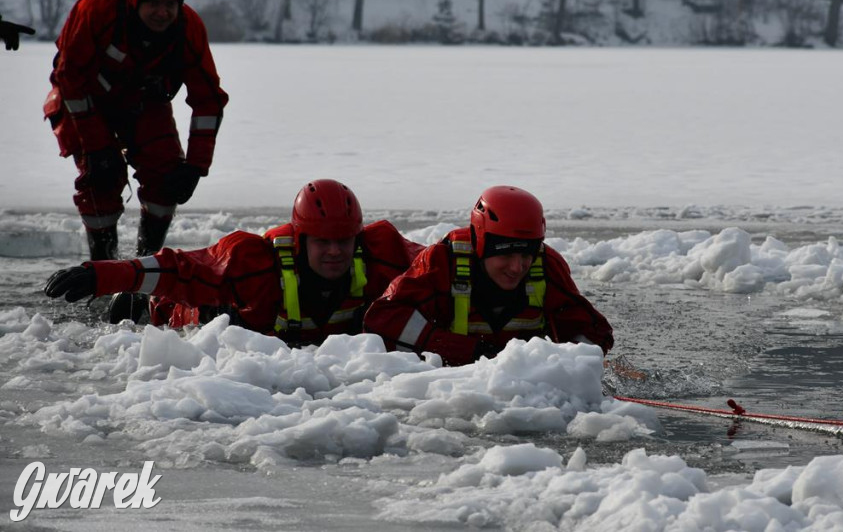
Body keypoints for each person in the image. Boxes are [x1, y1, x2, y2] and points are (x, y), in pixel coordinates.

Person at [42, 0, 228, 302]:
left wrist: (196, 167)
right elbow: (68, 78)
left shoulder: (188, 28)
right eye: (154, 4)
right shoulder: (95, 10)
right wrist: (97, 147)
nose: (163, 13)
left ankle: (142, 273)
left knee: (166, 178)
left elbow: (208, 100)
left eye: (171, 4)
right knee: (100, 181)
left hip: (144, 103)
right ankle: (101, 272)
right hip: (82, 102)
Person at [44, 180, 424, 346]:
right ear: (302, 238)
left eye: (344, 241)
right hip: (196, 314)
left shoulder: (381, 256)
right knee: (202, 312)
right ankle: (143, 304)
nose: (335, 252)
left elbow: (436, 263)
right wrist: (101, 275)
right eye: (323, 242)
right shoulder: (255, 263)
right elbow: (180, 268)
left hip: (300, 343)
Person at [363, 185, 613, 366]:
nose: (517, 267)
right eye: (506, 254)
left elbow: (593, 331)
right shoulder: (441, 262)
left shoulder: (547, 265)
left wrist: (570, 364)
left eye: (527, 254)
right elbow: (382, 319)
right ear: (480, 243)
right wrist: (469, 352)